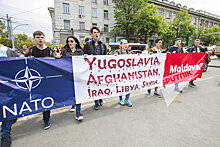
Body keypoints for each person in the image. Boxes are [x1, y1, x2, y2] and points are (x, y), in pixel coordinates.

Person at [25, 30, 56, 130]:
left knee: (46, 99)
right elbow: (22, 63)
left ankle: (46, 119)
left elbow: (55, 64)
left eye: (42, 37)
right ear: (34, 39)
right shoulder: (30, 51)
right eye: (38, 37)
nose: (40, 39)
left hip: (47, 80)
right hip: (33, 80)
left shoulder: (50, 51)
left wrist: (57, 58)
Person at [83, 26, 107, 110]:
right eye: (95, 32)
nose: (96, 34)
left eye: (97, 32)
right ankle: (96, 102)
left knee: (100, 84)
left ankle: (100, 98)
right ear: (92, 34)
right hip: (92, 69)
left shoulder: (103, 45)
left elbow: (105, 57)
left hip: (100, 69)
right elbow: (84, 54)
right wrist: (86, 56)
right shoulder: (87, 44)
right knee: (94, 85)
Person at [61, 36, 84, 121]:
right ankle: (73, 104)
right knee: (71, 93)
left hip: (78, 76)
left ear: (76, 42)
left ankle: (78, 113)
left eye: (71, 41)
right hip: (68, 76)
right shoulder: (64, 51)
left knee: (78, 94)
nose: (69, 43)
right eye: (68, 41)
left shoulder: (80, 51)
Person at [0, 44, 19, 147]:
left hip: (7, 86)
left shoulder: (9, 51)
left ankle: (5, 135)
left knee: (6, 108)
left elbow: (20, 62)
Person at [117, 39, 132, 107]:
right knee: (120, 86)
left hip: (128, 73)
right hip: (120, 73)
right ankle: (121, 99)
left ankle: (127, 99)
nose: (125, 45)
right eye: (124, 43)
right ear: (120, 45)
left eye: (126, 43)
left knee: (128, 86)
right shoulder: (117, 53)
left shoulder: (130, 53)